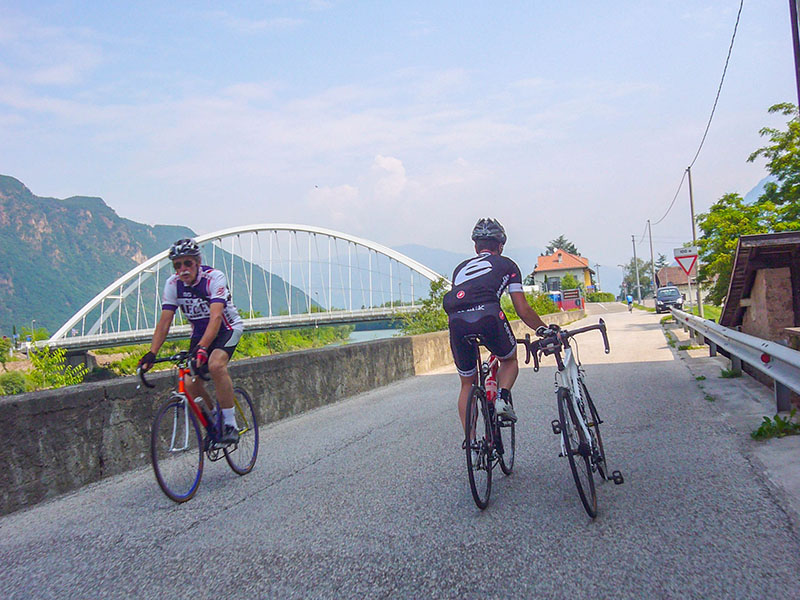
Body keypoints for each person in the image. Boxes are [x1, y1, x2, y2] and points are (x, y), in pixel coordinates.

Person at [443, 218, 547, 443]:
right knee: (509, 360)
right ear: (500, 246)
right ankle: (502, 397)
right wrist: (542, 329)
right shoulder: (507, 265)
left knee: (467, 384)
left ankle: (470, 442)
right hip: (488, 316)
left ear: (475, 248)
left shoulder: (460, 269)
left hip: (456, 321)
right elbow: (522, 308)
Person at [138, 238, 244, 445]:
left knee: (215, 365)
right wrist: (152, 353)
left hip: (226, 328)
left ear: (197, 262)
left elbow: (215, 317)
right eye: (178, 265)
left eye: (188, 263)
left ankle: (230, 424)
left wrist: (203, 348)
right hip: (199, 333)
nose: (183, 269)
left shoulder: (213, 278)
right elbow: (164, 322)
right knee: (187, 382)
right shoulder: (173, 284)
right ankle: (214, 421)